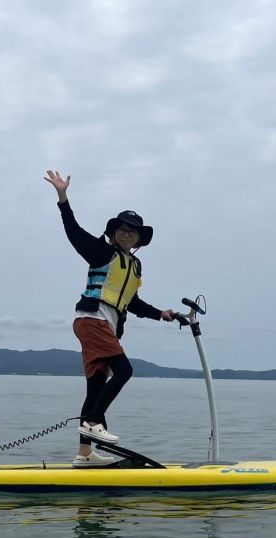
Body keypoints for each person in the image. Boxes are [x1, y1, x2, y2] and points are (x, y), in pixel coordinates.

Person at [44, 170, 175, 467]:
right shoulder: (102, 252)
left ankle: (85, 454)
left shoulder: (134, 265)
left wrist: (162, 315)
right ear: (114, 232)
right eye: (122, 228)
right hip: (92, 319)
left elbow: (134, 302)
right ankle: (91, 422)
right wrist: (63, 198)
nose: (127, 233)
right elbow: (74, 233)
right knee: (124, 370)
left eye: (133, 230)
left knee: (96, 387)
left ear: (139, 238)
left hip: (104, 326)